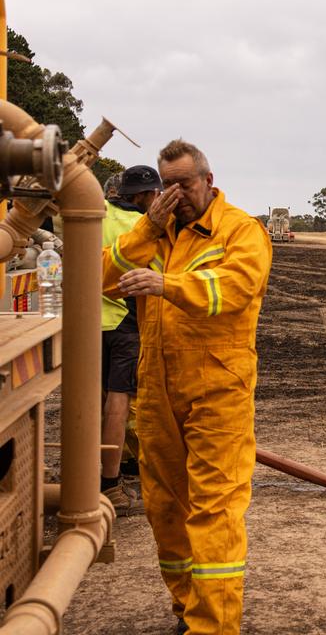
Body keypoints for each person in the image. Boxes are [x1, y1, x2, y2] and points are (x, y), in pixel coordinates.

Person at [103, 139, 271, 635]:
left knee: (214, 509)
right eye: (167, 186)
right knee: (165, 507)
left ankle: (213, 627)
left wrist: (167, 286)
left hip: (218, 390)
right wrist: (148, 227)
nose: (176, 194)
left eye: (185, 184)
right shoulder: (154, 233)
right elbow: (104, 279)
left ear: (208, 181)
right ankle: (187, 611)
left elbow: (237, 288)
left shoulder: (241, 230)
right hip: (156, 390)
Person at [99, 165, 162, 515]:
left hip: (85, 319)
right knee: (122, 401)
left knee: (97, 400)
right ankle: (110, 483)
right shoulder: (145, 226)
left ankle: (111, 467)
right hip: (124, 320)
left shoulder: (97, 212)